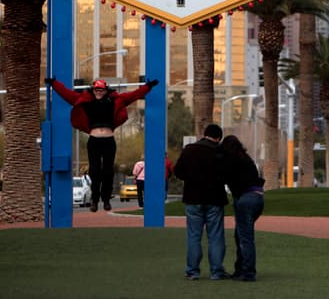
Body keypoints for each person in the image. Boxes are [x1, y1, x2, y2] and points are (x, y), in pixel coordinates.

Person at [46, 76, 157, 212]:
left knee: (108, 171)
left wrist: (148, 86)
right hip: (94, 140)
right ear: (93, 90)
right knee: (94, 170)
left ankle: (105, 200)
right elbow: (66, 93)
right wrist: (54, 83)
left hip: (109, 140)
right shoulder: (86, 101)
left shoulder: (115, 100)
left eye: (101, 90)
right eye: (96, 90)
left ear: (106, 91)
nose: (98, 92)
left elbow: (134, 95)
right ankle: (94, 200)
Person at [174, 124, 229, 281]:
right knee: (216, 236)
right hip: (215, 199)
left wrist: (191, 178)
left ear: (204, 134)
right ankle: (217, 271)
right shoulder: (221, 152)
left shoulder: (190, 149)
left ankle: (192, 271)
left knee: (194, 235)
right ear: (218, 138)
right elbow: (227, 174)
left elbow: (178, 171)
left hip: (193, 198)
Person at [221, 135, 265, 282]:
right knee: (241, 235)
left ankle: (248, 272)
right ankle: (240, 269)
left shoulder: (230, 161)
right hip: (258, 197)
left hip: (245, 199)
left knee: (244, 238)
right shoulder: (246, 158)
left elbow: (224, 178)